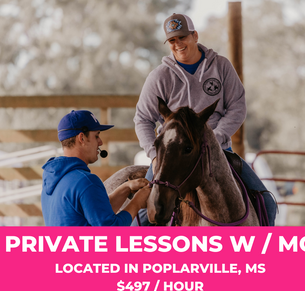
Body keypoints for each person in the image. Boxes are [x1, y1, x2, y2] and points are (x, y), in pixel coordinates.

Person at [133, 13, 277, 226]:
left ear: (195, 36)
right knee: (145, 215)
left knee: (266, 202)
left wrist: (215, 139)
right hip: (173, 158)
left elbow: (237, 107)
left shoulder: (221, 66)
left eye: (182, 37)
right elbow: (143, 119)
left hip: (220, 153)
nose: (178, 44)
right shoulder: (159, 77)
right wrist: (154, 156)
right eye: (172, 40)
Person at [41, 110, 151, 226]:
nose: (100, 142)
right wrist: (137, 203)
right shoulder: (85, 182)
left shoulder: (52, 180)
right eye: (97, 136)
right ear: (82, 138)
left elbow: (97, 212)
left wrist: (126, 188)